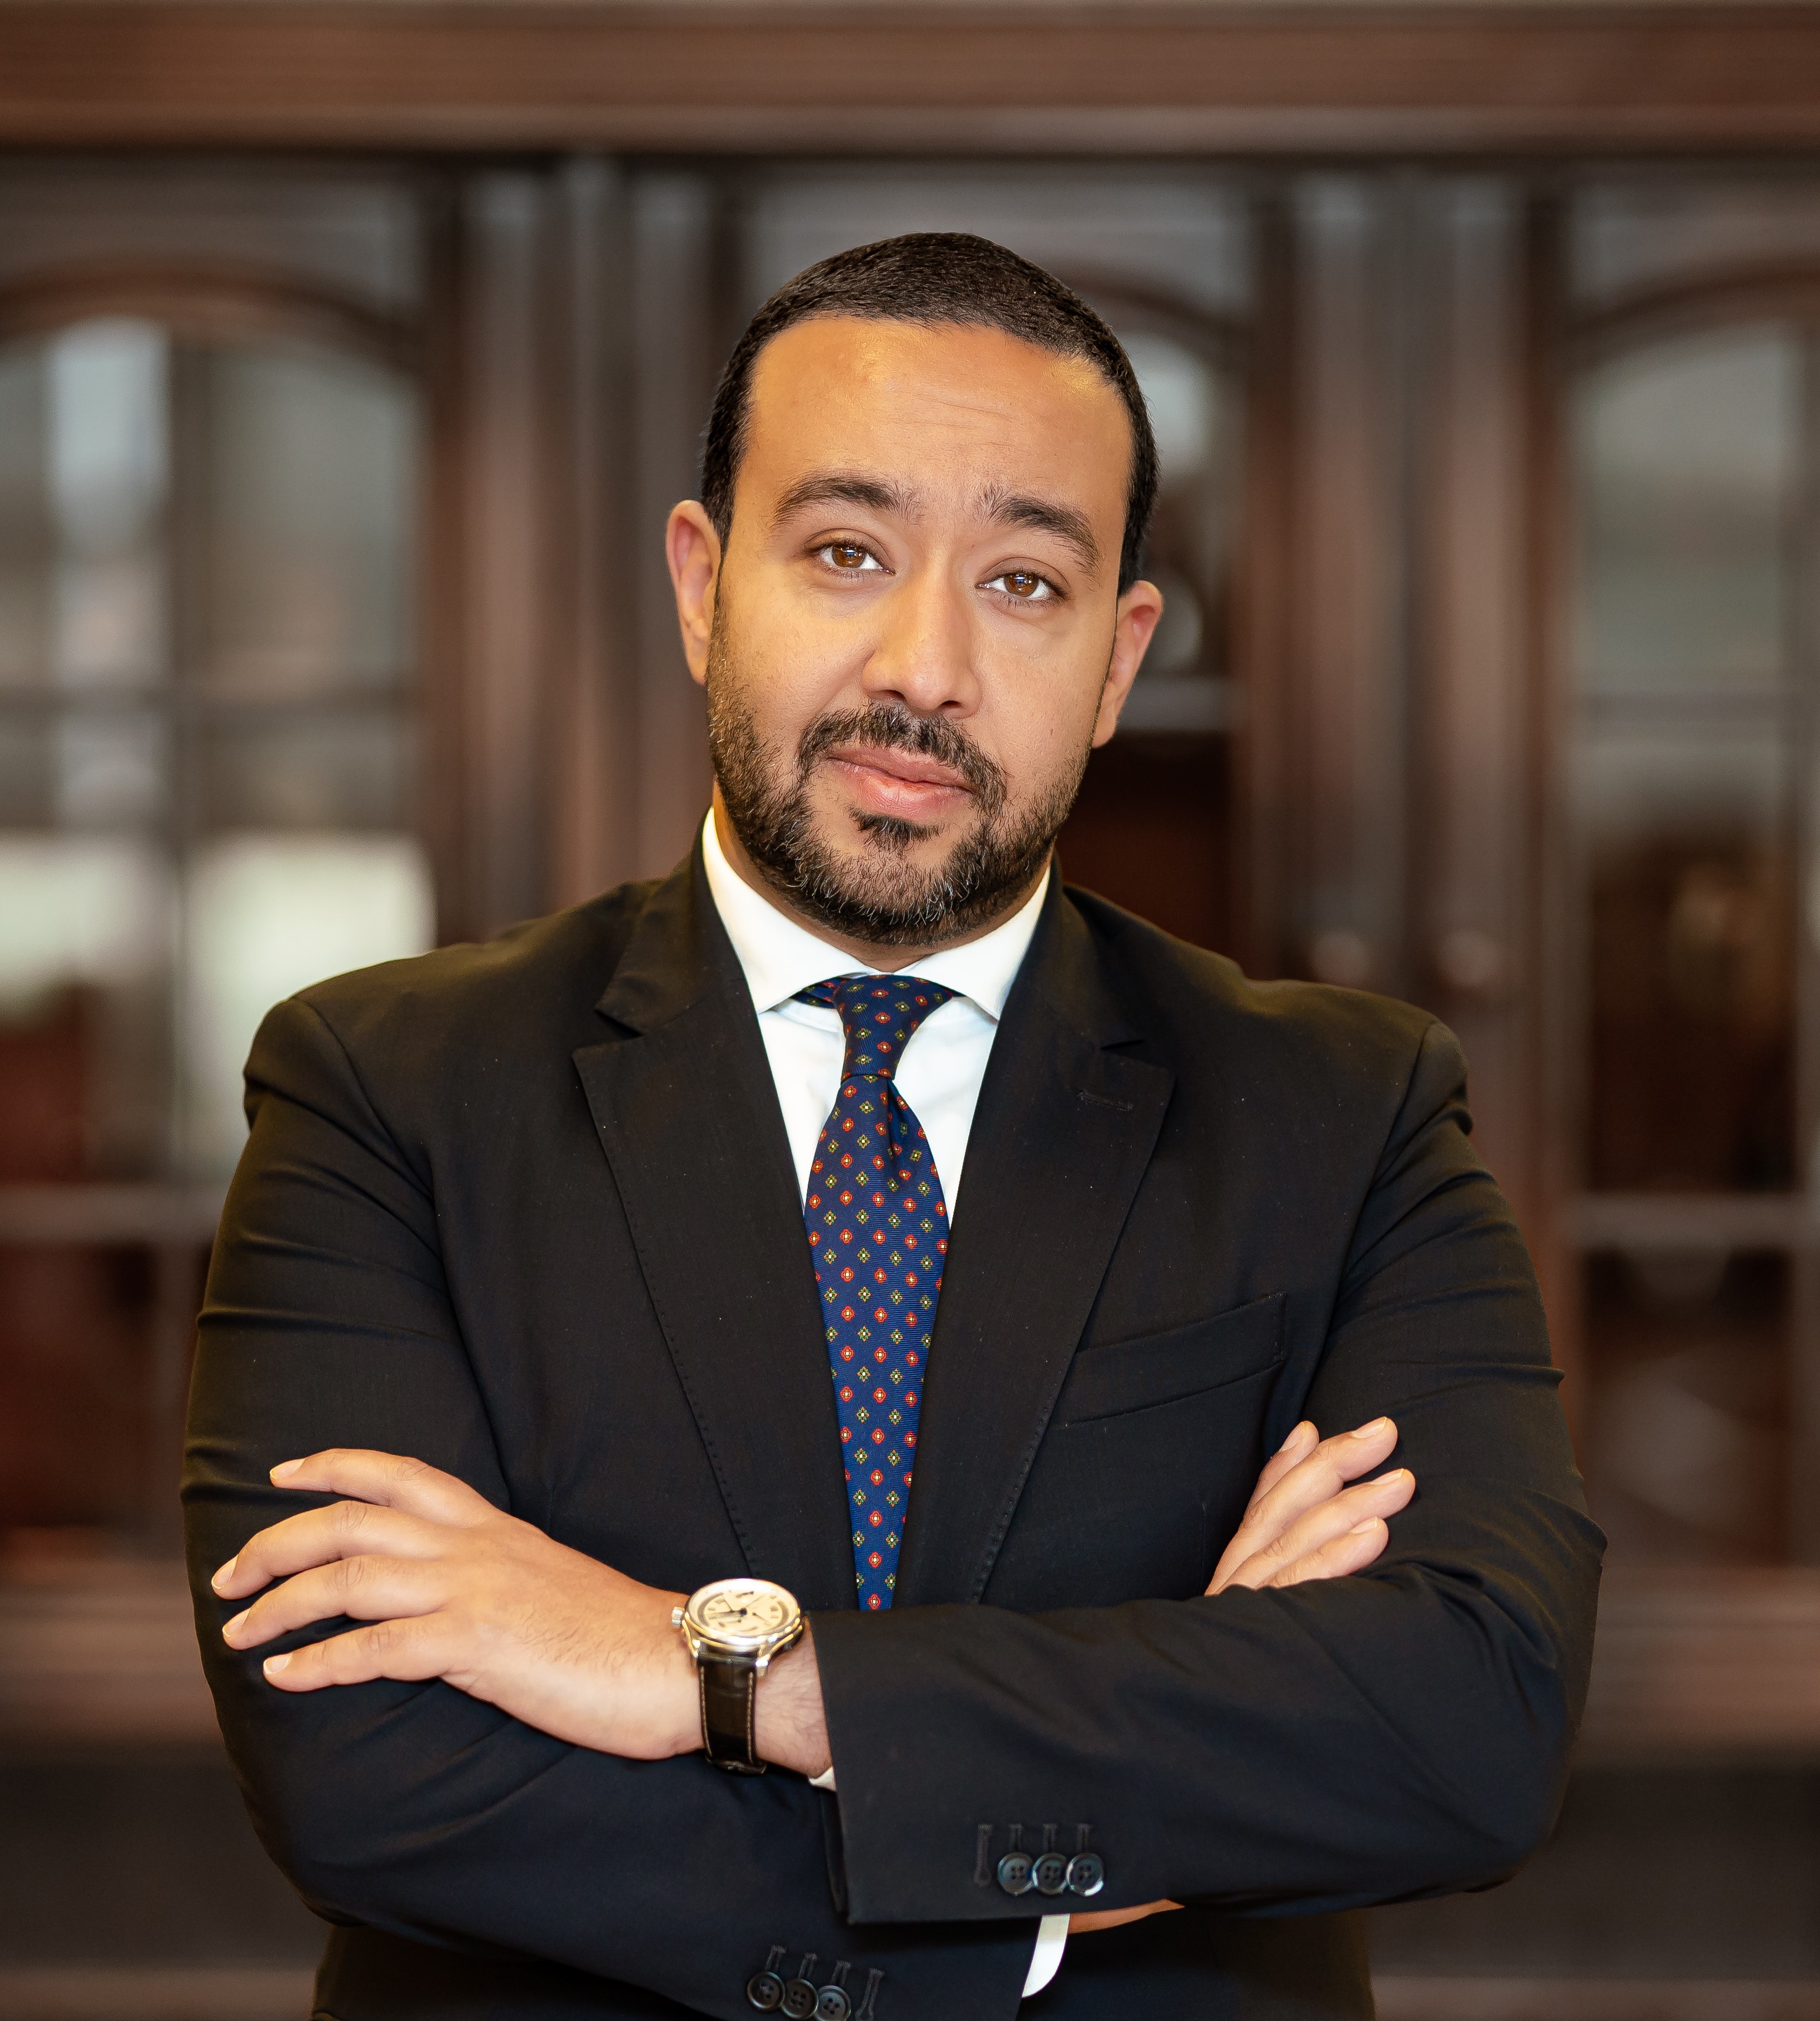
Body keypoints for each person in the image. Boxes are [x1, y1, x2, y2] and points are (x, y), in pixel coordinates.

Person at [184, 233, 1601, 2021]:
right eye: (847, 552)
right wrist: (1085, 1854)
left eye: (1025, 582)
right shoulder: (385, 1089)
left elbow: (1467, 1723)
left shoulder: (1347, 1113)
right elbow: (371, 1771)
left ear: (1118, 658)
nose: (926, 665)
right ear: (703, 587)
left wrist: (712, 1674)